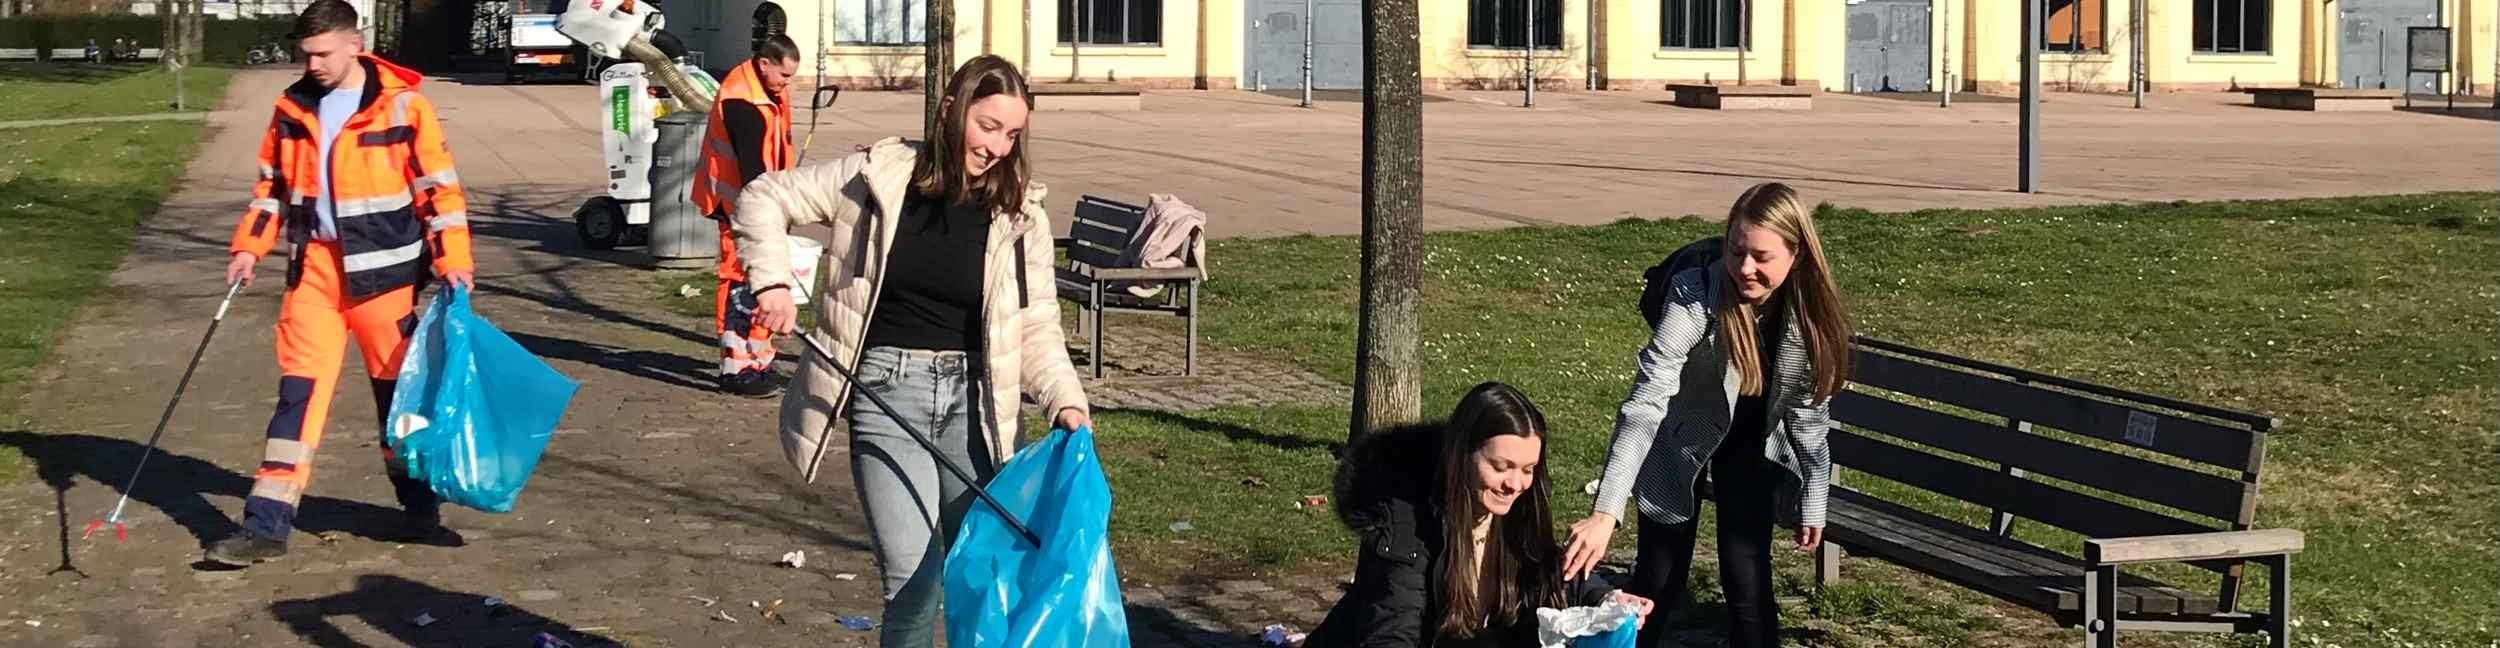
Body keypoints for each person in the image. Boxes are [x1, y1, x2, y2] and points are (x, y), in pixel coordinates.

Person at [729, 54, 1091, 648]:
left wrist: (1066, 403)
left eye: (1013, 134)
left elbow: (1036, 327)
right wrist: (769, 281)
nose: (998, 147)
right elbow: (765, 196)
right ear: (950, 111)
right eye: (987, 127)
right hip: (886, 394)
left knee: (986, 572)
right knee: (914, 580)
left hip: (976, 407)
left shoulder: (1019, 211)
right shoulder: (879, 175)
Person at [206, 0, 475, 566]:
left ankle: (418, 504)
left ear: (356, 44)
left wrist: (453, 259)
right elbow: (269, 188)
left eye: (323, 53)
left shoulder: (404, 107)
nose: (313, 65)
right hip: (315, 273)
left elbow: (439, 192)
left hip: (386, 279)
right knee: (297, 397)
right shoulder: (290, 108)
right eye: (305, 54)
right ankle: (265, 524)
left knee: (397, 400)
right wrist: (247, 248)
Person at [1561, 182, 1851, 648]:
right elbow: (1646, 401)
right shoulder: (1694, 293)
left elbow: (1809, 412)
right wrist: (1606, 511)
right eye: (1736, 252)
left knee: (1747, 574)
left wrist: (1815, 492)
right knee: (1659, 574)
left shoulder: (1808, 316)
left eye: (1762, 257)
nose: (1745, 269)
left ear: (1797, 255)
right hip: (1680, 435)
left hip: (1752, 442)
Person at [1305, 383, 1656, 648]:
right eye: (1501, 467)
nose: (1515, 484)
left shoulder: (1518, 509)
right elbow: (1394, 630)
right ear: (1462, 455)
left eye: (1528, 469)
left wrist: (1605, 600)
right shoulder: (1404, 523)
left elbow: (1550, 571)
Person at [691, 34, 804, 398]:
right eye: (784, 76)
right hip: (739, 206)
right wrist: (772, 209)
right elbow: (753, 168)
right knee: (740, 280)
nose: (788, 84)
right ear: (764, 63)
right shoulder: (743, 102)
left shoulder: (766, 89)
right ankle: (735, 365)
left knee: (763, 279)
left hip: (761, 203)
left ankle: (758, 357)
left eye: (791, 77)